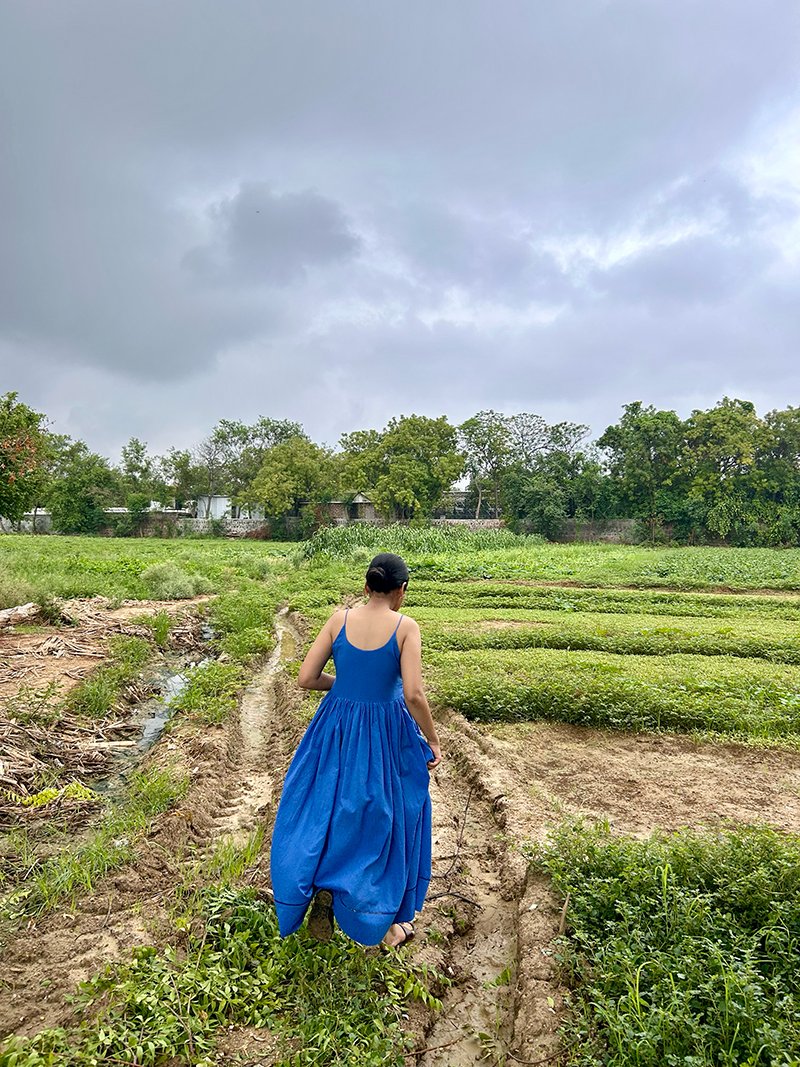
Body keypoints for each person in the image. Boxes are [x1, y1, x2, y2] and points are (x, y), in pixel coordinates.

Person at [269, 552, 442, 948]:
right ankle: (384, 921)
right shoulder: (405, 627)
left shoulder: (338, 620)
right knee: (387, 813)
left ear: (366, 587)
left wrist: (345, 686)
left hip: (336, 727)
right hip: (386, 732)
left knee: (325, 806)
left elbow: (306, 678)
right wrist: (432, 739)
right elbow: (414, 694)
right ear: (402, 590)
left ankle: (321, 884)